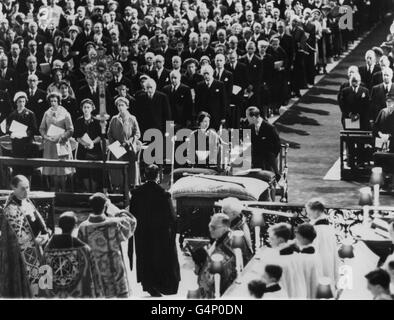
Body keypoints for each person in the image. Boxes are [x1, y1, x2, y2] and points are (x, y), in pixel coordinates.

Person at [130, 164, 180, 296]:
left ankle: (147, 284)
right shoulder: (163, 194)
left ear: (145, 175)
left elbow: (132, 214)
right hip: (159, 233)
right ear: (158, 176)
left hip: (142, 232)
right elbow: (172, 217)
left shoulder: (136, 193)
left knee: (144, 257)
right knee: (158, 257)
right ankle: (157, 284)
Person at [78, 193, 137, 298]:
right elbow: (132, 222)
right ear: (105, 206)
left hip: (95, 270)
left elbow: (80, 252)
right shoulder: (114, 224)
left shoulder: (83, 227)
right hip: (115, 270)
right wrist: (113, 208)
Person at [0, 175, 49, 297]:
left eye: (28, 188)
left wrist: (45, 235)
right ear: (13, 188)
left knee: (43, 284)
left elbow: (40, 224)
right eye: (23, 188)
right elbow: (17, 237)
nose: (26, 191)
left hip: (37, 250)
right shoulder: (10, 210)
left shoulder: (27, 202)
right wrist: (35, 241)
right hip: (20, 257)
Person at [44, 211, 104, 298]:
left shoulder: (48, 249)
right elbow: (93, 276)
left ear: (59, 226)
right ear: (75, 226)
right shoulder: (85, 250)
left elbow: (44, 274)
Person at [39, 92, 75, 191]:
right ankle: (53, 193)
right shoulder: (47, 113)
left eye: (55, 101)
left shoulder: (65, 113)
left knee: (62, 170)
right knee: (52, 170)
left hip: (62, 144)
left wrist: (61, 137)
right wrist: (46, 137)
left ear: (59, 101)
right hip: (50, 145)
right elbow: (42, 128)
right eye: (51, 101)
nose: (53, 103)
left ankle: (63, 194)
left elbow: (71, 129)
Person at [195, 213, 236, 298]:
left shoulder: (228, 246)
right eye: (209, 226)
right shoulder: (220, 239)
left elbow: (215, 278)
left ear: (224, 228)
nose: (210, 230)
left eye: (213, 227)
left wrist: (203, 263)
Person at [107, 97, 141, 190]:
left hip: (129, 148)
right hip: (117, 148)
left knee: (130, 169)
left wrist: (129, 141)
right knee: (117, 169)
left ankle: (130, 188)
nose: (120, 107)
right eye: (118, 105)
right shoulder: (114, 119)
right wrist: (116, 146)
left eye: (122, 105)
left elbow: (137, 133)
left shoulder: (132, 118)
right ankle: (118, 188)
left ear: (127, 106)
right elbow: (109, 134)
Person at [305, 198, 339, 288]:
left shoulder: (315, 230)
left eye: (308, 212)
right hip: (329, 266)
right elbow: (335, 254)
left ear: (316, 212)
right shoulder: (330, 229)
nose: (307, 215)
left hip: (318, 268)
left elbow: (312, 254)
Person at [6, 91, 37, 178]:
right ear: (16, 102)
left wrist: (24, 134)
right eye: (19, 101)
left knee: (27, 169)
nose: (21, 103)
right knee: (17, 168)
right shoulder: (12, 115)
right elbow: (8, 128)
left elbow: (33, 128)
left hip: (27, 145)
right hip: (16, 145)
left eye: (23, 101)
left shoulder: (31, 114)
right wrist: (12, 134)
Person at [245, 106, 281, 181]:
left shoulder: (270, 128)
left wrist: (271, 157)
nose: (246, 119)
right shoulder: (249, 127)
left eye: (247, 117)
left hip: (268, 163)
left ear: (253, 117)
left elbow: (277, 146)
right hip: (256, 163)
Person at [74, 99, 102, 192]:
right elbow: (77, 136)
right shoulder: (79, 121)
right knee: (84, 171)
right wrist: (84, 143)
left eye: (88, 107)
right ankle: (87, 191)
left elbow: (100, 136)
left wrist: (92, 143)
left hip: (95, 149)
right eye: (84, 107)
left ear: (92, 108)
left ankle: (94, 192)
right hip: (82, 149)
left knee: (95, 172)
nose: (86, 109)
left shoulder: (97, 121)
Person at [220, 197, 253, 265]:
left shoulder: (239, 230)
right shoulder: (229, 222)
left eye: (225, 212)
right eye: (221, 211)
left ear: (234, 214)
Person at [294, 223, 323, 299]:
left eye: (297, 236)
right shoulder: (316, 254)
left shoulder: (303, 257)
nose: (295, 239)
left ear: (302, 238)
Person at [194, 64, 227, 130]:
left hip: (216, 115)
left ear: (211, 73)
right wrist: (197, 116)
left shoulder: (220, 84)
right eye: (204, 74)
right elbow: (197, 102)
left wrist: (223, 117)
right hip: (204, 116)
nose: (206, 75)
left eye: (207, 73)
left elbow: (223, 101)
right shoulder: (199, 85)